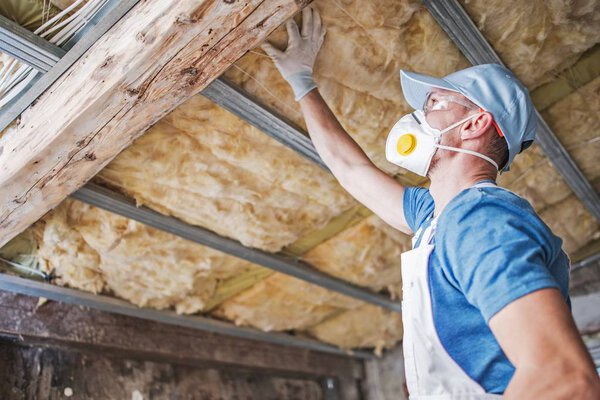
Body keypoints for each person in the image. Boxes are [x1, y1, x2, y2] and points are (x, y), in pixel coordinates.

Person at [261, 7, 600, 399]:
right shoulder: (437, 219)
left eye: (436, 103)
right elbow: (350, 169)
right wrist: (302, 83)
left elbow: (564, 379)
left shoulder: (481, 219)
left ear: (475, 124)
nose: (418, 114)